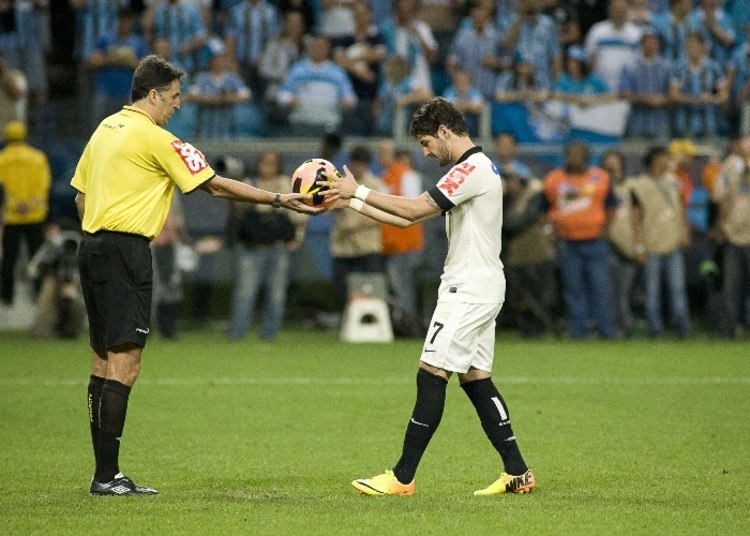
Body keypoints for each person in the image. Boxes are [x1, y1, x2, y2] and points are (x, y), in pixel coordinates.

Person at [70, 54, 321, 496]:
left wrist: (101, 232)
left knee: (102, 361)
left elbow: (80, 196)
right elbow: (217, 184)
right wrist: (280, 199)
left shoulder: (105, 128)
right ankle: (107, 476)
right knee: (125, 365)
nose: (179, 105)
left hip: (92, 247)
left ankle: (104, 473)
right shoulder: (158, 138)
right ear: (153, 95)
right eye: (174, 96)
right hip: (126, 251)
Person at [323, 97, 535, 496]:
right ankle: (517, 471)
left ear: (444, 131)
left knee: (431, 373)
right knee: (475, 379)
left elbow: (415, 210)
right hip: (483, 284)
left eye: (425, 142)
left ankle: (402, 477)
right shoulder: (477, 169)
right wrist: (350, 199)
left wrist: (360, 191)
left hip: (468, 288)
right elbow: (406, 217)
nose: (425, 152)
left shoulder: (469, 169)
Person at [226, 150, 306, 341]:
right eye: (265, 162)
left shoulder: (285, 184)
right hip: (253, 248)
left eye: (272, 163)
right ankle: (236, 333)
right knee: (245, 293)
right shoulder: (250, 183)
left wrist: (298, 237)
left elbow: (299, 214)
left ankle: (270, 334)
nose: (268, 167)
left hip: (277, 248)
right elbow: (237, 208)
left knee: (276, 295)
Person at [542, 140, 617, 339]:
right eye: (571, 153)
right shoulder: (553, 179)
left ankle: (606, 331)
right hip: (567, 243)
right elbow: (543, 209)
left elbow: (612, 205)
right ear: (565, 155)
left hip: (595, 240)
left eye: (579, 154)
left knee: (600, 288)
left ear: (586, 156)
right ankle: (578, 332)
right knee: (574, 290)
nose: (574, 157)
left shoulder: (600, 178)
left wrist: (606, 229)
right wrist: (549, 230)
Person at [630, 146, 692, 338]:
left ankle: (683, 329)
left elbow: (679, 209)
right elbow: (635, 218)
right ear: (653, 160)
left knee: (678, 289)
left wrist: (684, 232)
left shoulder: (673, 181)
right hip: (651, 245)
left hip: (672, 243)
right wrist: (639, 246)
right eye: (663, 158)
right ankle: (654, 329)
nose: (667, 161)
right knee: (652, 291)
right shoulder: (639, 185)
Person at [0, 121, 51, 306]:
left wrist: (14, 205)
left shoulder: (1, 159)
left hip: (11, 217)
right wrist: (30, 204)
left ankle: (7, 298)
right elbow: (44, 185)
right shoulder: (38, 158)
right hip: (35, 216)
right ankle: (39, 295)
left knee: (8, 260)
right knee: (37, 258)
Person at [329, 144, 384, 315]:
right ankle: (345, 321)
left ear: (367, 165)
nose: (358, 168)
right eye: (355, 164)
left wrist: (357, 225)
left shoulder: (375, 184)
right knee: (341, 289)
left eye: (361, 164)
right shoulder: (340, 184)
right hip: (343, 245)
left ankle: (373, 321)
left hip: (368, 244)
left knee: (373, 286)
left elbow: (383, 215)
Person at [377, 141, 425, 338]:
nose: (379, 157)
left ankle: (411, 327)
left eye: (383, 153)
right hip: (392, 244)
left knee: (405, 289)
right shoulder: (385, 177)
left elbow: (412, 207)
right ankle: (404, 326)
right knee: (400, 289)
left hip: (407, 243)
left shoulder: (407, 175)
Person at [86, 7, 151, 129]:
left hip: (128, 94)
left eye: (127, 21)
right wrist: (114, 60)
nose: (124, 25)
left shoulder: (139, 43)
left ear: (131, 23)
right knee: (100, 129)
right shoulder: (105, 39)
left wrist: (131, 62)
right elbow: (92, 61)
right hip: (104, 92)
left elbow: (146, 69)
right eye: (122, 21)